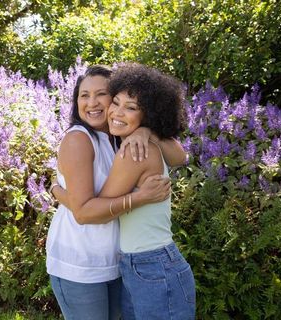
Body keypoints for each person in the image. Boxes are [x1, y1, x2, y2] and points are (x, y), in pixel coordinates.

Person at [52, 63, 195, 319]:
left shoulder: (124, 141)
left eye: (102, 95)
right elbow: (85, 212)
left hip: (126, 263)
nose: (93, 103)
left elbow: (180, 156)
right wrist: (60, 194)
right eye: (84, 95)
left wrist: (146, 129)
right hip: (83, 263)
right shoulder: (87, 140)